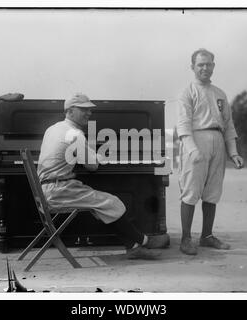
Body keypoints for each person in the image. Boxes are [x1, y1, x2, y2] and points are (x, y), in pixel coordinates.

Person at [37, 93, 169, 260]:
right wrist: (99, 155)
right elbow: (92, 165)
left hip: (47, 190)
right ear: (69, 111)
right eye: (83, 109)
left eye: (90, 110)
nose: (89, 113)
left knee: (103, 205)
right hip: (58, 191)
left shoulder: (53, 128)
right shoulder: (74, 134)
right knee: (111, 202)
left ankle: (133, 247)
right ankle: (144, 241)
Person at [176, 48, 244, 255]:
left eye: (208, 64)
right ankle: (186, 239)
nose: (205, 68)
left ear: (213, 66)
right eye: (200, 64)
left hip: (217, 140)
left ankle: (206, 236)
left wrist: (233, 152)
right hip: (196, 140)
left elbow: (229, 125)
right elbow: (183, 125)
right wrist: (192, 149)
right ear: (193, 67)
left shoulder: (220, 94)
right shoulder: (188, 92)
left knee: (213, 191)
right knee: (191, 190)